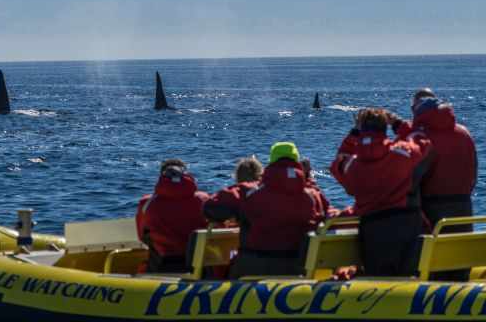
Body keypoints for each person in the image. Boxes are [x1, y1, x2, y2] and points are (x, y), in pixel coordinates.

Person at [330, 108, 432, 277]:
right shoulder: (402, 152)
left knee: (378, 278)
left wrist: (354, 133)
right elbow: (422, 140)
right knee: (409, 277)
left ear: (361, 130)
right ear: (384, 129)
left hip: (373, 229)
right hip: (406, 224)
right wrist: (399, 124)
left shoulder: (352, 165)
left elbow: (340, 159)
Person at [389, 89, 477, 281]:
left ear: (417, 111)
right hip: (464, 211)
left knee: (431, 269)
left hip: (431, 215)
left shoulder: (423, 138)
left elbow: (409, 182)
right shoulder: (464, 134)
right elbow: (473, 176)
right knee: (459, 269)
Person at [204, 142, 328, 278]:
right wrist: (308, 179)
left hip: (253, 267)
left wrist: (240, 215)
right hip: (298, 267)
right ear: (296, 162)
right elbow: (327, 212)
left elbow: (210, 208)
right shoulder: (313, 195)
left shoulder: (249, 192)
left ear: (271, 162)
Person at [135, 159, 209, 273]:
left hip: (163, 266)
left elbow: (142, 236)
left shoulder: (147, 203)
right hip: (201, 266)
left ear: (161, 176)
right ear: (186, 174)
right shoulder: (204, 200)